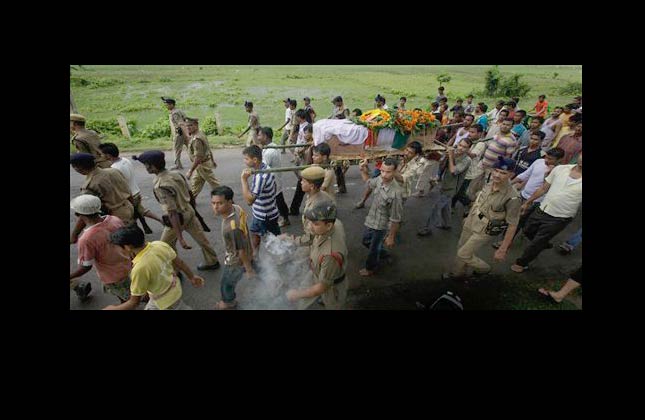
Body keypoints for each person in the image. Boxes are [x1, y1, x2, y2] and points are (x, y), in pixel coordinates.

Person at [132, 150, 221, 271]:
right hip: (188, 210)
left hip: (178, 217)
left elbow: (172, 212)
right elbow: (190, 193)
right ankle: (212, 261)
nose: (145, 167)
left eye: (146, 165)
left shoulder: (161, 184)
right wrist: (193, 211)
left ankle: (175, 269)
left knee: (165, 245)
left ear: (153, 166)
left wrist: (180, 238)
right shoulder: (176, 174)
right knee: (201, 238)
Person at [442, 157, 521, 281]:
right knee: (461, 247)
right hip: (472, 219)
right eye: (496, 171)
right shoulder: (490, 182)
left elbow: (513, 225)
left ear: (511, 174)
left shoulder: (513, 197)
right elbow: (480, 200)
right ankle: (457, 273)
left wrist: (503, 248)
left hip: (485, 228)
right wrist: (469, 216)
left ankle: (484, 269)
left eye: (503, 173)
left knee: (463, 253)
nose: (497, 175)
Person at [511, 151, 582, 273]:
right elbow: (544, 188)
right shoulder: (561, 169)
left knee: (538, 241)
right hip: (543, 208)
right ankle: (542, 244)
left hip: (560, 217)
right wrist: (528, 202)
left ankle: (522, 263)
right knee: (527, 230)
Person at [104, 225, 205, 310]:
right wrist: (192, 276)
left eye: (117, 247)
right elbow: (180, 262)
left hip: (163, 301)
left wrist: (113, 308)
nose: (116, 250)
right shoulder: (159, 244)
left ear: (127, 247)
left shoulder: (139, 268)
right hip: (175, 289)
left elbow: (134, 302)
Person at [491, 147, 565, 249]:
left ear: (559, 160)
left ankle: (505, 242)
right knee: (513, 217)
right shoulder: (539, 161)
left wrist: (548, 174)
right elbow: (526, 174)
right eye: (546, 157)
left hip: (536, 201)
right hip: (523, 194)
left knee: (518, 221)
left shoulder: (560, 172)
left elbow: (547, 188)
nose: (546, 160)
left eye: (550, 159)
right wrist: (509, 183)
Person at [70, 194, 133, 303]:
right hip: (129, 265)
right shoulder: (114, 219)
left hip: (113, 276)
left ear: (77, 214)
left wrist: (71, 276)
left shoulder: (86, 239)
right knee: (134, 293)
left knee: (129, 300)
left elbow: (86, 267)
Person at [286, 202, 348, 310]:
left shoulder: (330, 255)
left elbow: (322, 287)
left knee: (332, 305)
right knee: (302, 298)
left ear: (328, 225)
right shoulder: (334, 223)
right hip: (317, 272)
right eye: (310, 221)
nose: (310, 226)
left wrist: (297, 294)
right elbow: (311, 238)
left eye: (315, 223)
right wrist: (291, 239)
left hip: (331, 287)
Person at [70, 153, 135, 244]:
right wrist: (133, 209)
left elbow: (85, 212)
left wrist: (74, 235)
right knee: (133, 237)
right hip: (128, 207)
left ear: (78, 168)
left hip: (115, 216)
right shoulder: (113, 171)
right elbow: (129, 191)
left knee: (122, 244)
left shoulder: (90, 185)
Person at [98, 143, 162, 234]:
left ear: (108, 155)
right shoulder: (124, 160)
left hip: (129, 196)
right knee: (141, 211)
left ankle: (136, 235)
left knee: (131, 217)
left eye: (101, 154)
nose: (100, 156)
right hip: (136, 191)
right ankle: (160, 220)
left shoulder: (114, 169)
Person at [210, 186, 255, 310]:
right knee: (256, 268)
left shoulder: (231, 227)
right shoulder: (237, 208)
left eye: (220, 203)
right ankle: (270, 282)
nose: (215, 207)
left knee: (226, 284)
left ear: (229, 202)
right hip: (247, 251)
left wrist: (248, 269)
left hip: (235, 261)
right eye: (213, 203)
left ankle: (228, 303)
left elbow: (240, 250)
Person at [357, 157, 404, 277]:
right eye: (382, 170)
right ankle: (384, 253)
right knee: (365, 240)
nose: (384, 174)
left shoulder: (396, 193)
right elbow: (369, 183)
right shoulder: (379, 179)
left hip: (382, 225)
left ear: (394, 172)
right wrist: (362, 170)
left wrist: (391, 237)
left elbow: (395, 218)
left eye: (388, 172)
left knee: (374, 247)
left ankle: (371, 268)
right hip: (372, 219)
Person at [418, 138, 472, 236]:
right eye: (460, 145)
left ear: (468, 149)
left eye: (465, 147)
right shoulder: (453, 153)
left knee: (436, 207)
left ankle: (427, 228)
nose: (461, 148)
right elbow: (442, 164)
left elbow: (453, 171)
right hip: (444, 184)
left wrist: (451, 156)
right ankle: (446, 224)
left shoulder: (467, 160)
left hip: (451, 188)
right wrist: (445, 156)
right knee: (445, 207)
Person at [241, 145, 281, 252]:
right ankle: (256, 255)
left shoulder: (261, 176)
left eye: (246, 159)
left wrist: (244, 180)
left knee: (274, 239)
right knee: (255, 232)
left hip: (265, 215)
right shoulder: (263, 167)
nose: (244, 161)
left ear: (255, 160)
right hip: (262, 212)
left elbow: (249, 200)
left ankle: (280, 259)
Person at [283, 166, 335, 246]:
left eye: (304, 181)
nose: (301, 183)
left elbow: (312, 237)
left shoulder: (316, 207)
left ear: (312, 186)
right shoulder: (319, 195)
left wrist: (291, 240)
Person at [259, 126, 291, 227]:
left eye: (259, 135)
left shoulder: (269, 151)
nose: (258, 137)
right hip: (274, 178)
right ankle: (284, 217)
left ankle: (284, 218)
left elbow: (263, 166)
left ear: (265, 136)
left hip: (273, 180)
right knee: (278, 198)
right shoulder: (271, 147)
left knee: (278, 199)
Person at [452, 124, 486, 214]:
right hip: (461, 168)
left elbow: (473, 155)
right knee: (456, 189)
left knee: (460, 192)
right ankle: (451, 206)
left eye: (472, 132)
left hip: (468, 173)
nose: (469, 134)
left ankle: (470, 203)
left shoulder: (481, 144)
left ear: (480, 134)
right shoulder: (469, 141)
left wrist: (463, 148)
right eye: (469, 132)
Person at [185, 117, 220, 198]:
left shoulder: (197, 139)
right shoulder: (200, 133)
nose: (188, 128)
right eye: (187, 126)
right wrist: (212, 160)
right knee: (196, 184)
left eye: (190, 125)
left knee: (215, 184)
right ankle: (190, 201)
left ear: (196, 125)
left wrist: (190, 171)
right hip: (201, 165)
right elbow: (208, 148)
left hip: (202, 165)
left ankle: (227, 199)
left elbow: (198, 157)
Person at [161, 97, 188, 170]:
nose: (166, 106)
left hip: (180, 133)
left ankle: (178, 165)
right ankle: (200, 161)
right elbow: (186, 118)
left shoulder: (175, 113)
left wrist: (186, 134)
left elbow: (181, 124)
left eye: (167, 105)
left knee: (176, 149)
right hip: (185, 132)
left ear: (171, 105)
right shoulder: (179, 110)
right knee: (190, 147)